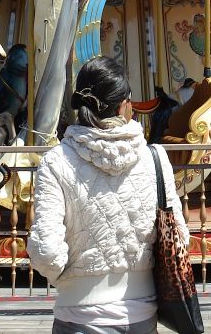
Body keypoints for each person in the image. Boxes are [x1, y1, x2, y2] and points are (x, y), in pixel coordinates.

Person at [27, 56, 187, 334]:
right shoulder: (156, 158)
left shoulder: (56, 161)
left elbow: (46, 252)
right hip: (142, 313)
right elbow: (179, 237)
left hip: (79, 315)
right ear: (125, 104)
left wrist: (72, 284)